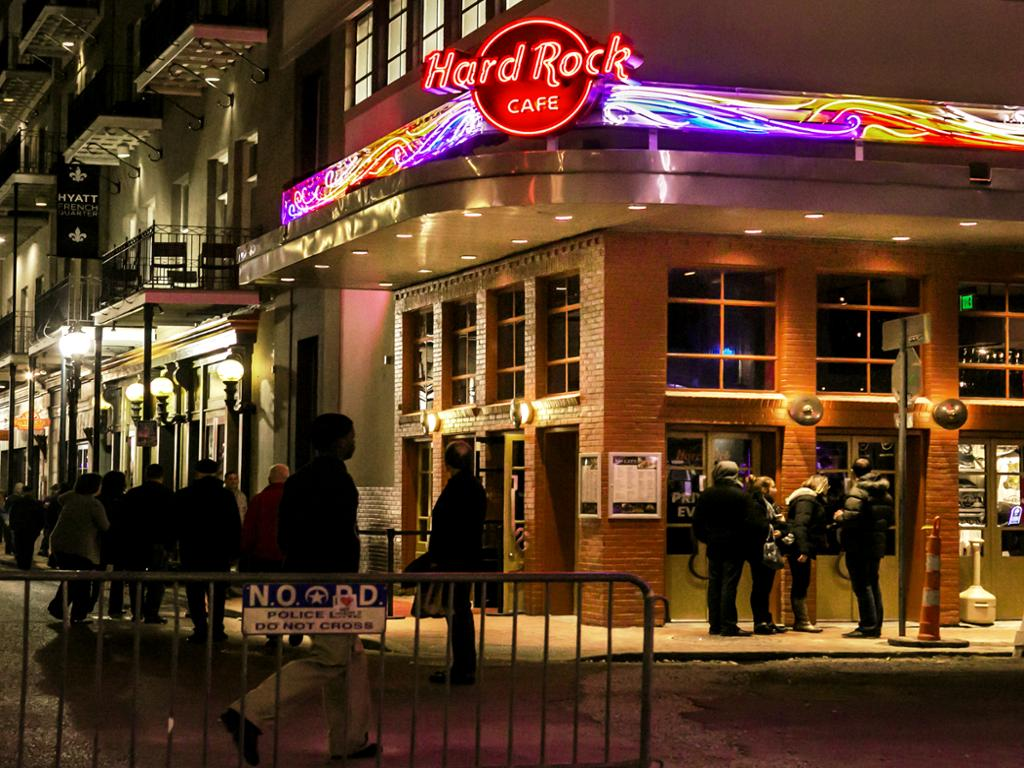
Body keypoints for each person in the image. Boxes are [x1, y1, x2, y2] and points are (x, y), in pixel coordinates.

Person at [221, 414, 376, 765]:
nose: (354, 442)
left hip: (303, 574)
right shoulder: (338, 480)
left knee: (351, 656)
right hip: (331, 581)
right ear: (339, 440)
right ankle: (249, 712)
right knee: (331, 658)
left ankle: (349, 739)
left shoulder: (299, 480)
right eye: (351, 436)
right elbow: (341, 536)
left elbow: (285, 535)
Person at [424, 440, 486, 685]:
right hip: (468, 558)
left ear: (448, 463)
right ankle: (464, 665)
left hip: (453, 560)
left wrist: (436, 559)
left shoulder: (457, 489)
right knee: (460, 611)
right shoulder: (476, 488)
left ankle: (462, 667)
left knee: (457, 612)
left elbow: (444, 526)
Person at [175, 459, 241, 643]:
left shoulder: (184, 495)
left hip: (192, 551)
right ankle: (217, 628)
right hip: (219, 552)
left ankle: (200, 629)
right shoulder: (226, 496)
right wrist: (234, 551)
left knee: (195, 592)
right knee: (218, 594)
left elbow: (176, 523)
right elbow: (234, 525)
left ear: (197, 473)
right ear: (217, 473)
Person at [693, 461, 759, 637]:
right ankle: (728, 624)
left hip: (715, 546)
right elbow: (751, 523)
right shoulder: (742, 496)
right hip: (735, 546)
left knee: (714, 584)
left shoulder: (707, 495)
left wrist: (708, 539)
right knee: (729, 585)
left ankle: (714, 624)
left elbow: (697, 523)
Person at [834, 458, 894, 638]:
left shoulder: (858, 491)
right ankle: (875, 625)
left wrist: (839, 516)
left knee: (862, 586)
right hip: (876, 544)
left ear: (853, 472)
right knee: (873, 584)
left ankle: (867, 625)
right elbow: (889, 520)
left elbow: (852, 517)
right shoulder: (885, 493)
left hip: (858, 544)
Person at [47, 473, 109, 624]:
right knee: (82, 582)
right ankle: (75, 613)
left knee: (70, 579)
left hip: (60, 544)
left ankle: (60, 608)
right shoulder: (93, 504)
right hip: (81, 547)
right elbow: (105, 526)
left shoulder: (70, 499)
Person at [240, 464, 290, 648]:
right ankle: (291, 627)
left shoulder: (259, 499)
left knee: (268, 595)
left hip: (263, 555)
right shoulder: (294, 499)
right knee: (287, 594)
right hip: (287, 556)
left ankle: (273, 632)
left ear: (269, 479)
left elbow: (249, 528)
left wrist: (245, 550)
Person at [122, 464, 177, 623]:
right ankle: (151, 612)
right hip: (158, 542)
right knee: (157, 579)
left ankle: (137, 611)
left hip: (136, 543)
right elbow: (173, 521)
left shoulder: (133, 494)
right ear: (162, 476)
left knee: (136, 579)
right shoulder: (168, 494)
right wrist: (171, 544)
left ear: (146, 475)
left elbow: (124, 519)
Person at [784, 474, 831, 632]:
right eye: (826, 485)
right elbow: (801, 525)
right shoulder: (807, 500)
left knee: (801, 582)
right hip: (800, 548)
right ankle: (802, 621)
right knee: (801, 583)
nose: (828, 489)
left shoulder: (805, 499)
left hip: (800, 546)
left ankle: (802, 620)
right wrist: (803, 549)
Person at [747, 476, 788, 635]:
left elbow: (784, 526)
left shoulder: (771, 504)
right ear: (764, 489)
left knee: (766, 587)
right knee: (760, 587)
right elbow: (759, 526)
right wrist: (776, 526)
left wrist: (781, 529)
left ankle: (767, 620)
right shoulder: (755, 504)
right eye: (773, 486)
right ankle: (760, 621)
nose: (776, 490)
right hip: (758, 551)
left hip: (769, 549)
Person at [99, 471, 130, 617]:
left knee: (96, 575)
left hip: (101, 540)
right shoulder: (125, 500)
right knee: (118, 577)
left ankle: (86, 605)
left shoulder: (99, 500)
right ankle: (115, 608)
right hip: (120, 541)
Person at [9, 490, 45, 570]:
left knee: (19, 546)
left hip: (19, 529)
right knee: (29, 547)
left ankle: (21, 563)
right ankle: (26, 564)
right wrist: (38, 529)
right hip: (31, 529)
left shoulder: (17, 503)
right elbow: (41, 518)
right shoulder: (36, 504)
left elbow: (12, 515)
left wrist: (13, 527)